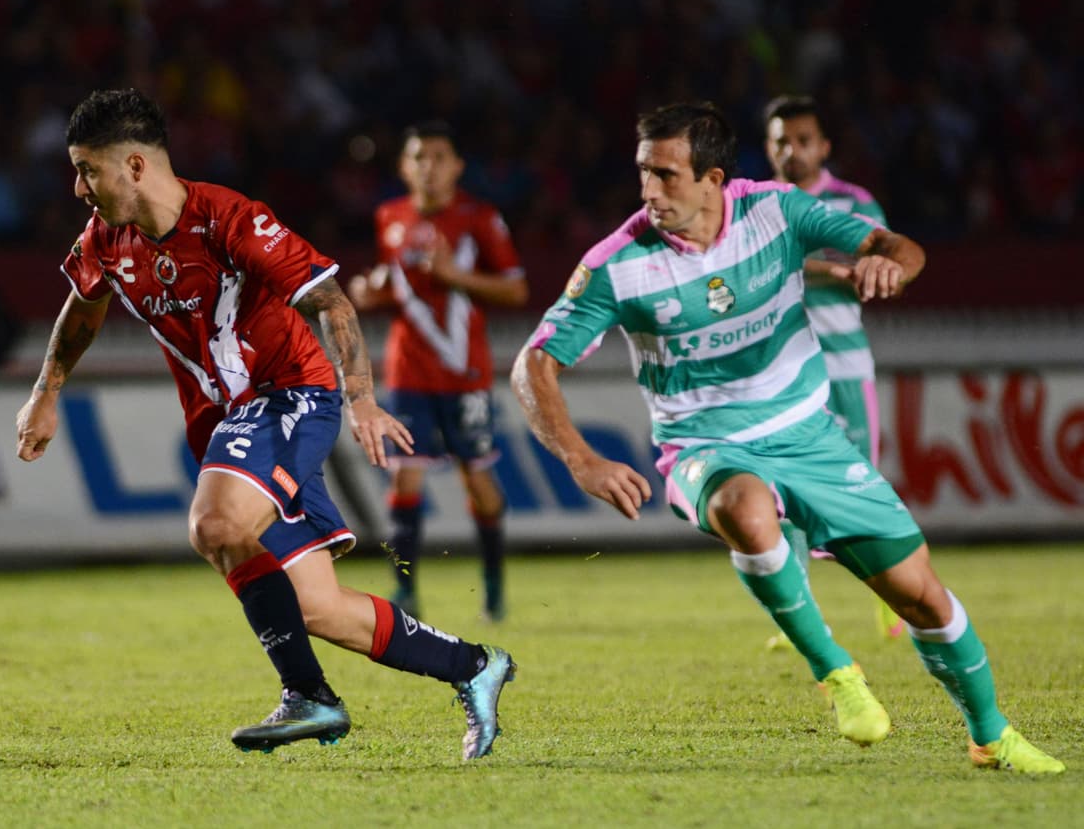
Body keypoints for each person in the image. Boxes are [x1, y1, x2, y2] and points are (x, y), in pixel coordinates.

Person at [510, 102, 1064, 773]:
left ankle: (990, 734)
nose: (649, 192)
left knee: (922, 595)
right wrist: (581, 458)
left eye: (666, 175)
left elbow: (899, 246)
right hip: (704, 447)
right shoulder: (618, 265)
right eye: (643, 175)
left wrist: (892, 264)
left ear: (714, 178)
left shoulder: (780, 211)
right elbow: (533, 363)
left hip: (810, 437)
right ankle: (836, 672)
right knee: (743, 508)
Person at [15, 89, 515, 759]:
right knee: (316, 607)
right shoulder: (106, 239)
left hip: (290, 396)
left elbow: (332, 301)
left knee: (216, 525)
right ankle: (476, 667)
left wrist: (361, 397)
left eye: (87, 169)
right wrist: (47, 390)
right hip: (227, 423)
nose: (79, 188)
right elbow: (83, 306)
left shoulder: (231, 220)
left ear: (134, 166)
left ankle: (311, 698)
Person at [349, 120, 528, 621]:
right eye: (418, 157)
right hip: (408, 370)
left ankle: (493, 582)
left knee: (478, 482)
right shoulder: (390, 216)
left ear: (456, 166)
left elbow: (515, 290)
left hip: (465, 371)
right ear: (405, 167)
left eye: (437, 156)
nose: (428, 166)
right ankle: (405, 593)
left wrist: (455, 276)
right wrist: (372, 293)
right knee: (405, 479)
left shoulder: (480, 218)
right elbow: (400, 289)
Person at [762, 94, 904, 648]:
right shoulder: (760, 204)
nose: (791, 151)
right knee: (783, 493)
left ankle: (890, 599)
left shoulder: (855, 202)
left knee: (860, 488)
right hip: (783, 371)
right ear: (768, 148)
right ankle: (801, 619)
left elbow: (873, 266)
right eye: (781, 141)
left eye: (802, 140)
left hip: (844, 366)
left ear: (823, 146)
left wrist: (793, 268)